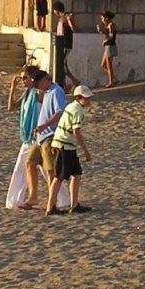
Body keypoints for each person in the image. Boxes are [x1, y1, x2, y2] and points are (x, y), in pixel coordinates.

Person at [46, 83, 94, 216]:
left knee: (76, 174)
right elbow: (76, 131)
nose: (89, 100)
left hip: (65, 145)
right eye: (86, 98)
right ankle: (50, 207)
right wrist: (86, 151)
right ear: (79, 98)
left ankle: (74, 204)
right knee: (59, 177)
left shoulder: (71, 106)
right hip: (64, 146)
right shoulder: (78, 110)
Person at [31, 68, 69, 207]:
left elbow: (59, 112)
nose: (37, 87)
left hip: (50, 134)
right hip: (41, 135)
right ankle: (33, 197)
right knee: (30, 162)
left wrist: (44, 125)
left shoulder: (56, 91)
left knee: (50, 170)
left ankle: (52, 202)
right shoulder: (47, 92)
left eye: (38, 84)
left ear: (45, 80)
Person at [6, 66, 43, 209]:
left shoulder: (39, 93)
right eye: (21, 78)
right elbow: (11, 107)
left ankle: (63, 198)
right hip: (28, 137)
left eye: (25, 78)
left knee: (43, 169)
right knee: (22, 168)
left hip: (37, 136)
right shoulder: (27, 93)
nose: (22, 81)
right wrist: (12, 89)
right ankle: (15, 200)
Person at [52, 2, 75, 89]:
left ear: (57, 10)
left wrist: (69, 20)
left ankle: (71, 81)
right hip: (60, 45)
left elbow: (73, 29)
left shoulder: (66, 18)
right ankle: (72, 81)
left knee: (62, 66)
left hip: (66, 44)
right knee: (62, 65)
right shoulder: (61, 19)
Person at [97, 11, 118, 87]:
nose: (102, 20)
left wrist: (105, 41)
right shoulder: (109, 25)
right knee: (103, 65)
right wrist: (101, 31)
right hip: (108, 46)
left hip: (110, 46)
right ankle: (113, 78)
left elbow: (111, 36)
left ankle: (111, 81)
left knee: (109, 65)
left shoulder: (111, 25)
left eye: (103, 18)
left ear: (106, 18)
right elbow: (108, 34)